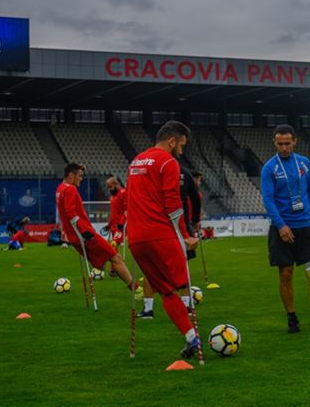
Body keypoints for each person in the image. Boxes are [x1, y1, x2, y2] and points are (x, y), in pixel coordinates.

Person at [127, 121, 201, 358]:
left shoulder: (136, 161)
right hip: (160, 234)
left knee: (166, 290)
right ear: (172, 141)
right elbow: (174, 205)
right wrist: (186, 236)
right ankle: (195, 339)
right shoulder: (169, 162)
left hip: (136, 239)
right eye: (181, 145)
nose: (181, 151)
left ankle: (191, 339)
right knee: (181, 284)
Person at [261, 124, 310, 333]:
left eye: (287, 143)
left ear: (295, 141)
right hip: (282, 229)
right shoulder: (269, 168)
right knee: (285, 274)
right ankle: (292, 318)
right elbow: (268, 199)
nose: (284, 148)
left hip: (305, 226)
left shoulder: (304, 164)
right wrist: (280, 225)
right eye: (279, 144)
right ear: (274, 143)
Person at [56, 163, 139, 294]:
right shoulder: (70, 190)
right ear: (71, 175)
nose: (81, 179)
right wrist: (84, 231)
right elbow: (71, 214)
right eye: (80, 176)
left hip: (78, 236)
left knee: (108, 256)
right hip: (85, 234)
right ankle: (137, 290)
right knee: (115, 257)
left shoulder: (60, 189)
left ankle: (105, 269)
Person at [104, 176, 127, 277]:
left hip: (121, 227)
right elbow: (113, 214)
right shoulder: (112, 196)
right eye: (108, 187)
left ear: (116, 184)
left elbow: (127, 210)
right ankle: (115, 269)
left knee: (113, 246)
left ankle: (115, 269)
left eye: (110, 187)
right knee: (113, 248)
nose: (109, 189)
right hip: (114, 227)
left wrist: (122, 224)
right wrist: (108, 225)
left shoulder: (123, 193)